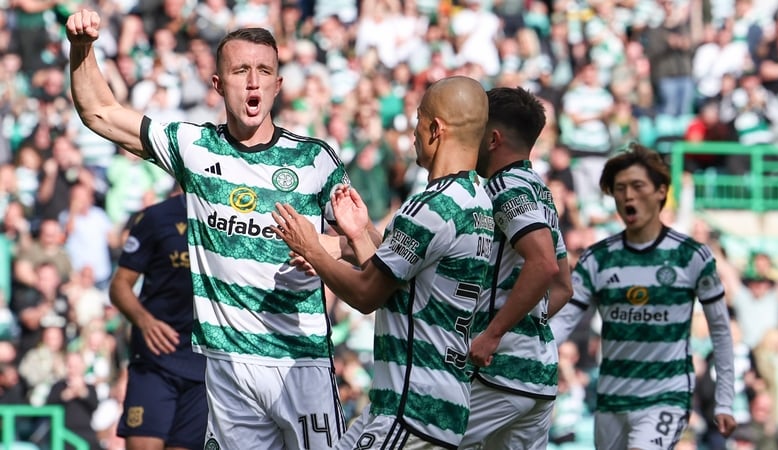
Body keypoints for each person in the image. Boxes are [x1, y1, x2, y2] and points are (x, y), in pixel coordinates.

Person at [67, 10, 348, 449]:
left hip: (301, 362)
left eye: (264, 71)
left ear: (278, 84)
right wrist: (82, 47)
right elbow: (100, 113)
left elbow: (364, 243)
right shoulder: (195, 148)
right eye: (240, 71)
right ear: (218, 84)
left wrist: (329, 243)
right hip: (228, 368)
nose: (253, 82)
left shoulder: (315, 160)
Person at [271, 76, 494, 450]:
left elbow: (366, 294)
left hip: (411, 407)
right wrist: (360, 235)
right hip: (438, 404)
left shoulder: (430, 205)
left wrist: (310, 246)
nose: (412, 133)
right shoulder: (476, 202)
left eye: (419, 121)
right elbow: (408, 282)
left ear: (436, 129)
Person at [549, 143, 737, 449]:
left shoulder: (692, 256)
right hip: (611, 398)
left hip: (665, 397)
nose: (628, 196)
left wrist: (725, 400)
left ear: (661, 192)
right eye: (620, 188)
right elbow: (564, 322)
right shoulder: (597, 258)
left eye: (637, 186)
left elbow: (720, 329)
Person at [459, 87, 573, 450]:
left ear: (492, 138)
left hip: (500, 371)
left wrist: (495, 332)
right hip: (537, 376)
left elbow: (543, 264)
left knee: (426, 439)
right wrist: (526, 324)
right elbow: (564, 287)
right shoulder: (539, 189)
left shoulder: (505, 187)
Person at [110, 188, 208, 450]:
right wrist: (145, 321)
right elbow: (119, 285)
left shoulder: (237, 219)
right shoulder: (157, 217)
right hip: (156, 358)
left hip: (206, 365)